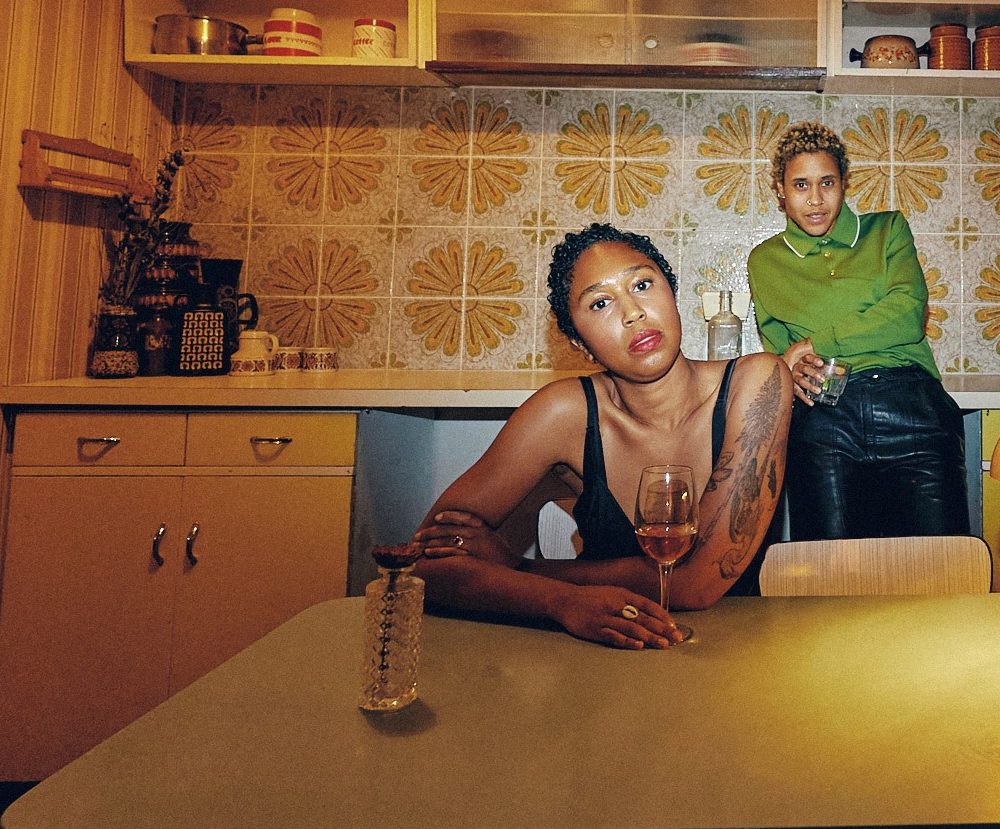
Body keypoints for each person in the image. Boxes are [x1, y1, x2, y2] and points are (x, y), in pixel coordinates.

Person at [412, 223, 791, 649]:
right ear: (580, 342)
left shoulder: (758, 382)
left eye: (643, 284)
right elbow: (421, 564)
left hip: (739, 655)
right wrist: (561, 603)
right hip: (601, 662)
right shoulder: (563, 413)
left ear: (672, 293)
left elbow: (697, 586)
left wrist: (521, 569)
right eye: (600, 303)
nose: (633, 312)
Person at [746, 122, 969, 540]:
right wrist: (789, 369)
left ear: (845, 183)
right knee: (832, 582)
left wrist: (817, 342)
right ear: (780, 189)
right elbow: (785, 352)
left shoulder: (887, 231)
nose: (815, 199)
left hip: (912, 406)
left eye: (827, 182)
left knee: (944, 571)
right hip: (825, 417)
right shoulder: (765, 260)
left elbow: (906, 313)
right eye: (800, 185)